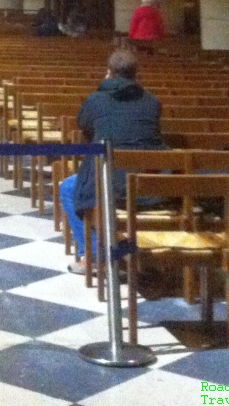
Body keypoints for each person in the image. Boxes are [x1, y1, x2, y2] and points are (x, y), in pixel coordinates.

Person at [59, 47, 166, 273]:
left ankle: (93, 257)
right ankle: (117, 248)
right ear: (135, 75)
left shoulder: (95, 100)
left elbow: (84, 124)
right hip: (148, 185)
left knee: (68, 188)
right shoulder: (152, 102)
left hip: (111, 184)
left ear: (108, 73)